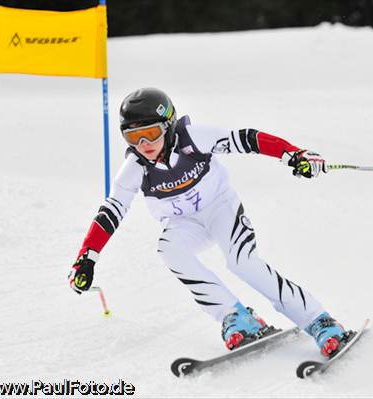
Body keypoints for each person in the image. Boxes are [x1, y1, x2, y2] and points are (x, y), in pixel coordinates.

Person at [68, 88, 351, 358]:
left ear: (168, 126)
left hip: (221, 210)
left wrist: (293, 153)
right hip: (184, 223)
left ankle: (319, 321)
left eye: (151, 134)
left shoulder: (193, 138)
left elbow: (247, 139)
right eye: (133, 138)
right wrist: (87, 257)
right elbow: (111, 211)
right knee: (169, 250)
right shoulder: (136, 168)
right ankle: (236, 316)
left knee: (242, 262)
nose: (144, 145)